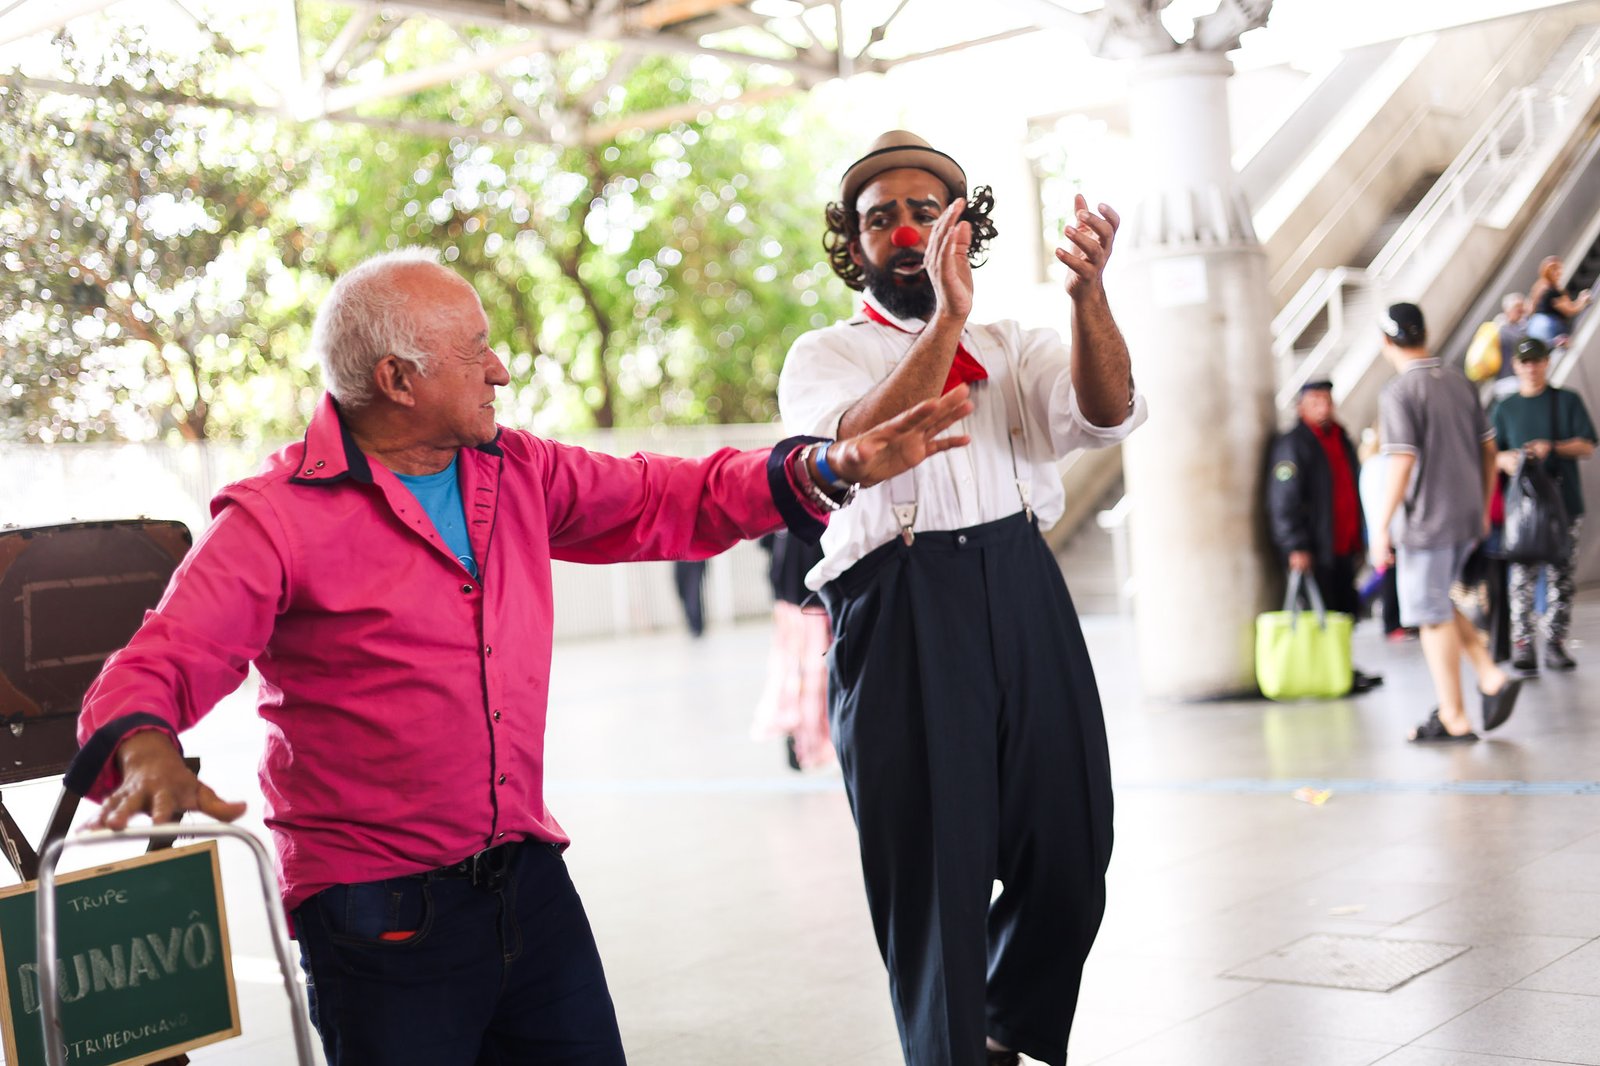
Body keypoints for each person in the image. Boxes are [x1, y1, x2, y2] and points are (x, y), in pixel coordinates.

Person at [72, 248, 975, 1066]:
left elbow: (678, 496)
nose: (500, 369)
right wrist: (145, 747)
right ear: (398, 379)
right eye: (475, 352)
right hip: (378, 914)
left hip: (525, 882)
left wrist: (832, 466)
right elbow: (159, 658)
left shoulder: (513, 471)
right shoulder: (275, 516)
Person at [777, 130, 1145, 1066]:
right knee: (934, 882)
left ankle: (999, 1028)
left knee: (1072, 847)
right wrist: (942, 322)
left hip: (1023, 585)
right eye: (879, 219)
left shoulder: (1015, 344)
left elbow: (1106, 411)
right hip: (898, 609)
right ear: (852, 246)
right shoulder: (823, 354)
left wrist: (1087, 296)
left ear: (960, 225)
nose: (903, 229)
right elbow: (853, 443)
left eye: (923, 210)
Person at [1369, 302, 1522, 742]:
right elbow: (1489, 451)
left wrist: (1381, 526)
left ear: (1385, 341)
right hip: (1466, 516)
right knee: (1437, 600)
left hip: (1426, 523)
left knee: (1430, 614)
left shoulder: (1399, 392)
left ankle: (1454, 717)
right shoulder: (1458, 379)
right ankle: (1490, 676)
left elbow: (1402, 460)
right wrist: (1482, 502)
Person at [1266, 380, 1383, 692]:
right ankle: (1326, 671)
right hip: (1316, 547)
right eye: (1316, 400)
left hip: (1343, 542)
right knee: (1323, 611)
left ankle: (1343, 667)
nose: (1324, 407)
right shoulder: (1292, 445)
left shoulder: (1340, 437)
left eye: (1328, 400)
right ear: (1301, 406)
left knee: (1345, 611)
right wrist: (1295, 545)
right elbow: (1283, 500)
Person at [1492, 335, 1597, 672]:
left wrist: (1552, 447)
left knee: (1561, 577)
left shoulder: (1565, 400)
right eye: (1525, 361)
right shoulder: (1505, 408)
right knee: (1521, 577)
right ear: (1515, 365)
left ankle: (1555, 642)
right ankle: (1523, 644)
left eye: (1537, 360)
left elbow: (1587, 445)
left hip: (1564, 504)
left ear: (1547, 363)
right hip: (1522, 509)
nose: (1531, 367)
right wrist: (1510, 459)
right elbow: (1492, 456)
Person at [751, 530, 833, 770]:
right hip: (807, 601)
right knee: (810, 674)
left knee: (795, 673)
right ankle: (806, 742)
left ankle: (803, 741)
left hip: (793, 596)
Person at [1526, 255, 1591, 348]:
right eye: (1554, 270)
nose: (1558, 272)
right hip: (1549, 325)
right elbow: (1570, 310)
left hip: (1533, 327)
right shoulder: (1552, 291)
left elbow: (1530, 309)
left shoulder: (1539, 287)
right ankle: (1558, 341)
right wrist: (1582, 300)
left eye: (1559, 269)